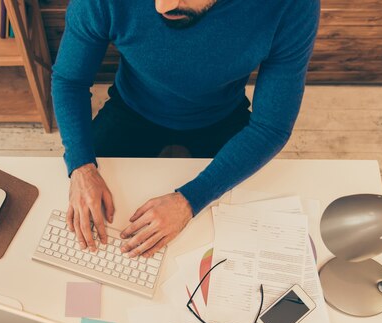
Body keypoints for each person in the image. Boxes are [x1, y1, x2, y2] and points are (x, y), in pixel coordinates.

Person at [51, 0, 320, 258]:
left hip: (220, 117)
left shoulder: (291, 5)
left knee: (231, 243)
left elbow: (270, 126)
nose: (161, 6)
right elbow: (69, 80)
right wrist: (81, 165)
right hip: (131, 110)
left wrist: (189, 201)